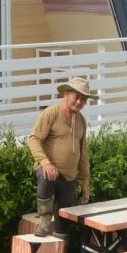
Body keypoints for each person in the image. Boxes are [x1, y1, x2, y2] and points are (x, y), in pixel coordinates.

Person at [27, 76, 95, 240]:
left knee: (63, 217)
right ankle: (43, 220)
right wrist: (45, 163)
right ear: (66, 93)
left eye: (83, 99)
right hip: (48, 169)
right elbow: (34, 139)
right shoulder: (51, 113)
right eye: (76, 97)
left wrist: (85, 183)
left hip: (69, 175)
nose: (79, 102)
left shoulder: (81, 121)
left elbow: (83, 153)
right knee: (47, 175)